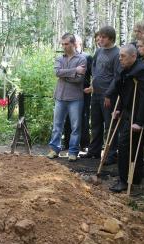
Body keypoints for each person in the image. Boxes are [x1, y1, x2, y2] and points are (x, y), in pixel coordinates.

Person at [108, 45, 144, 193]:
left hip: (137, 113)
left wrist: (139, 122)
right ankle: (135, 177)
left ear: (133, 56)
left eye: (123, 56)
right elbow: (124, 92)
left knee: (124, 145)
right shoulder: (125, 68)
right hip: (127, 110)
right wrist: (119, 109)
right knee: (133, 146)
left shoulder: (141, 71)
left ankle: (123, 180)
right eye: (120, 55)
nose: (120, 58)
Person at [80, 26, 121, 165]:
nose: (100, 39)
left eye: (103, 37)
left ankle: (110, 155)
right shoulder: (99, 51)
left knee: (109, 126)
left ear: (111, 38)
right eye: (100, 37)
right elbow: (95, 69)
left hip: (108, 96)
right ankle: (94, 151)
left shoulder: (117, 53)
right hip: (96, 94)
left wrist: (109, 94)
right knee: (96, 124)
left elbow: (117, 77)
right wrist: (93, 85)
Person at [47, 33, 87, 162]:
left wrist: (64, 75)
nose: (64, 46)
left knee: (76, 127)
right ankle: (54, 149)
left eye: (66, 44)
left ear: (73, 44)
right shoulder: (60, 58)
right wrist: (75, 70)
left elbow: (79, 80)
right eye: (62, 44)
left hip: (75, 98)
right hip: (60, 96)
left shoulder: (82, 59)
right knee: (57, 125)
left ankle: (73, 152)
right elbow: (57, 72)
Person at [63, 35, 93, 151]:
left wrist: (91, 87)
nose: (72, 45)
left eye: (74, 43)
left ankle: (84, 144)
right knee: (68, 117)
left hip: (83, 91)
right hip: (68, 90)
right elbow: (61, 72)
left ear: (79, 43)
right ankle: (67, 143)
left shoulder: (87, 57)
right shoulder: (66, 57)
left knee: (84, 116)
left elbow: (92, 74)